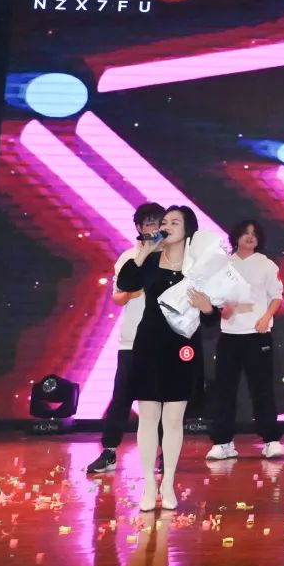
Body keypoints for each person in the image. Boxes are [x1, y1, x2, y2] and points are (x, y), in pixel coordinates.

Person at [117, 205, 216, 511]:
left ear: (188, 230)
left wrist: (207, 307)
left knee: (173, 419)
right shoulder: (150, 260)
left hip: (183, 346)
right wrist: (143, 253)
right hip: (149, 343)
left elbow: (212, 317)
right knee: (148, 416)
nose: (167, 226)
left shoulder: (200, 266)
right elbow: (126, 284)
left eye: (175, 222)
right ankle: (149, 484)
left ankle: (168, 481)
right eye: (165, 222)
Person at [87, 202, 165, 474]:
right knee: (121, 398)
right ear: (139, 227)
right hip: (132, 340)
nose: (152, 228)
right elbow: (118, 297)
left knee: (163, 400)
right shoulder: (128, 257)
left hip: (164, 341)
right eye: (147, 223)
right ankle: (109, 452)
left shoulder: (173, 256)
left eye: (157, 222)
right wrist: (134, 288)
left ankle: (165, 454)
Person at [206, 219, 284, 460]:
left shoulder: (266, 264)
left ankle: (271, 440)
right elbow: (214, 296)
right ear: (236, 236)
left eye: (254, 234)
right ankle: (223, 442)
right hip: (230, 336)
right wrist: (222, 308)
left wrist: (266, 318)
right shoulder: (223, 265)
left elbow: (276, 296)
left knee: (262, 389)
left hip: (257, 334)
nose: (250, 237)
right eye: (245, 233)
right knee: (225, 391)